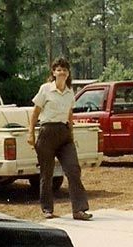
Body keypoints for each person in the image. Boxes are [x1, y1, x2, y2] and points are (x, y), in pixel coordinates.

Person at [27, 57, 93, 221]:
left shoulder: (70, 92)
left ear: (68, 73)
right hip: (47, 133)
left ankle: (79, 210)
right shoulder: (45, 89)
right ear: (53, 72)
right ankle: (47, 209)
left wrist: (71, 134)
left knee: (73, 170)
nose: (61, 72)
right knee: (47, 174)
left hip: (64, 135)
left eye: (64, 70)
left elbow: (70, 114)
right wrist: (31, 133)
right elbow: (35, 113)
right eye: (58, 69)